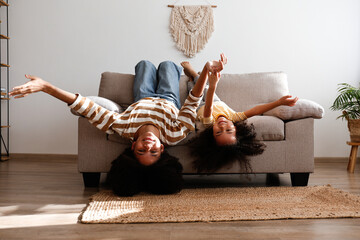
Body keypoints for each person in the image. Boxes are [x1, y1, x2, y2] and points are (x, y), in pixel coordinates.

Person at [10, 57, 226, 196]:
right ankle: (172, 66)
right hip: (168, 99)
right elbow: (194, 98)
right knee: (168, 65)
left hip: (141, 98)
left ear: (132, 147)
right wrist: (205, 70)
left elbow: (83, 106)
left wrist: (46, 86)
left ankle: (148, 67)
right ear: (162, 149)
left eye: (142, 151)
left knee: (144, 65)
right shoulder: (176, 133)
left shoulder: (122, 127)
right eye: (153, 151)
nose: (148, 145)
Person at [182, 58, 299, 172]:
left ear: (212, 133)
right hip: (216, 101)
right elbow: (255, 111)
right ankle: (193, 74)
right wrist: (279, 102)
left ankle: (191, 75)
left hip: (201, 105)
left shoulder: (208, 124)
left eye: (218, 132)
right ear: (235, 128)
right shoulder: (234, 118)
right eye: (228, 130)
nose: (223, 126)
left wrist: (213, 86)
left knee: (197, 89)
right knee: (204, 86)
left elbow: (208, 106)